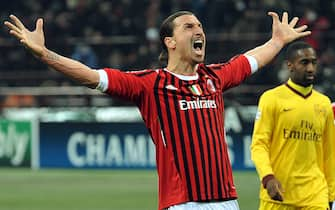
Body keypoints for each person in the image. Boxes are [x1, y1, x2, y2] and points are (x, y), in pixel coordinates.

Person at [4, 10, 310, 210]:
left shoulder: (214, 78)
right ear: (171, 41)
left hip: (228, 200)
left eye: (201, 25)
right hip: (183, 203)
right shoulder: (150, 84)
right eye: (189, 26)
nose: (198, 30)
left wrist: (278, 40)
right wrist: (45, 54)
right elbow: (91, 75)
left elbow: (251, 58)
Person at [251, 41, 335, 210]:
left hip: (315, 196)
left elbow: (329, 154)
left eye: (313, 62)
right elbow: (259, 145)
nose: (310, 68)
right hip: (278, 194)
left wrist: (331, 195)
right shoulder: (271, 98)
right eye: (304, 62)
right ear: (290, 65)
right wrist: (268, 178)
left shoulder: (324, 104)